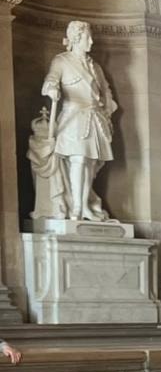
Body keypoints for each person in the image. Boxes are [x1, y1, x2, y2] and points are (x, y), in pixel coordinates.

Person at [39, 20, 118, 223]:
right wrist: (52, 89)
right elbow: (51, 80)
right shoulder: (62, 61)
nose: (91, 42)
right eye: (87, 38)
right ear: (76, 38)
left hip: (95, 118)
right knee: (79, 159)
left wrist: (107, 110)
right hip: (73, 117)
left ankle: (84, 207)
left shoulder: (95, 67)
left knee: (90, 163)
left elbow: (105, 91)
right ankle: (76, 206)